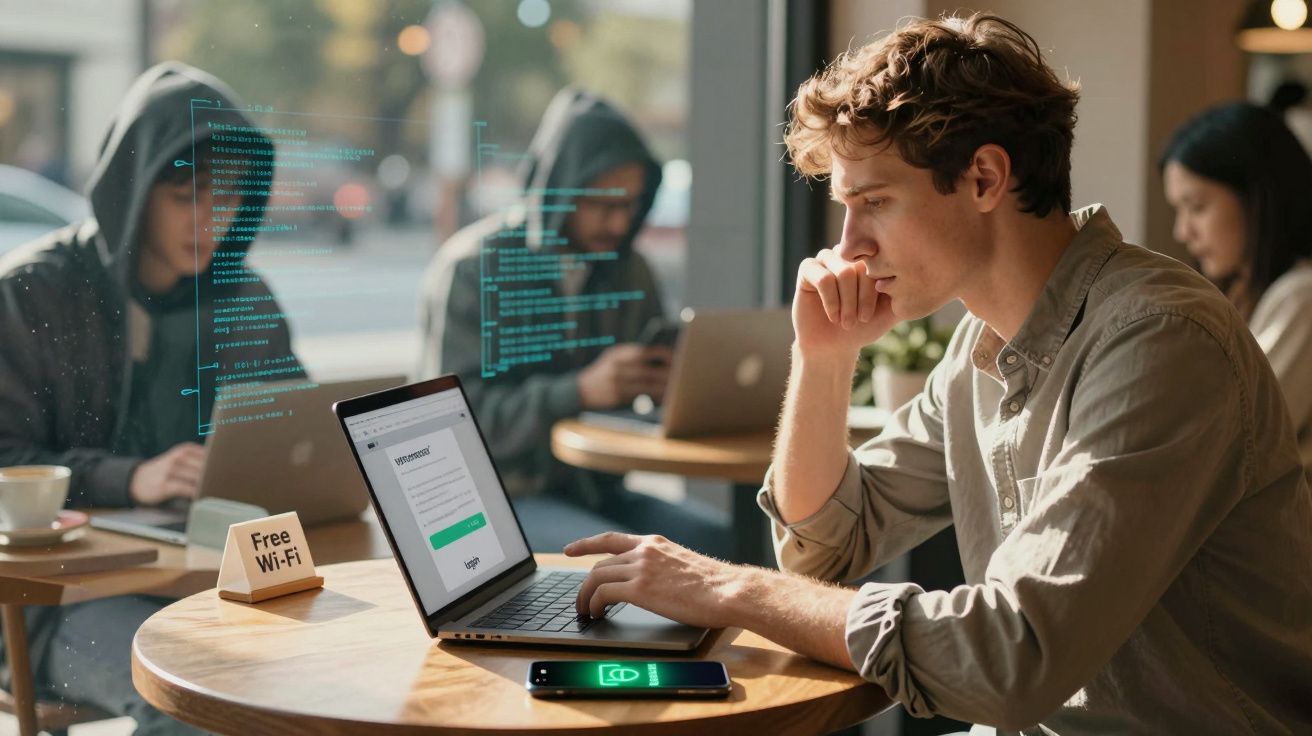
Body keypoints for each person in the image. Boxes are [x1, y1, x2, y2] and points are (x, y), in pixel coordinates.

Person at [562, 14, 1312, 733]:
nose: (848, 248)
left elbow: (1013, 655)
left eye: (874, 203)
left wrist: (726, 588)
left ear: (984, 178)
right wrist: (824, 359)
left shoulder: (1161, 341)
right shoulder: (979, 350)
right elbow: (822, 548)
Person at [0, 62, 301, 734]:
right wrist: (131, 478)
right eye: (186, 196)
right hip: (61, 602)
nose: (209, 220)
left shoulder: (244, 297)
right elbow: (5, 461)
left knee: (333, 672)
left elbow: (295, 431)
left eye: (227, 199)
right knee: (197, 700)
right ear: (134, 190)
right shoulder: (31, 294)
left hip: (213, 578)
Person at [417, 87, 725, 556]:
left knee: (721, 543)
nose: (619, 224)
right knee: (623, 559)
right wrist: (579, 391)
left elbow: (645, 394)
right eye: (603, 204)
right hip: (494, 498)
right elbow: (448, 428)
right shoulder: (475, 267)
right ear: (560, 189)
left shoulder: (629, 268)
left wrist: (668, 386)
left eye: (630, 205)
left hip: (595, 491)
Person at [1160, 101, 1312, 478]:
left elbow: (1232, 437)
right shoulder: (1248, 295)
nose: (1182, 232)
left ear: (1256, 197)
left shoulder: (1302, 297)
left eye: (1197, 207)